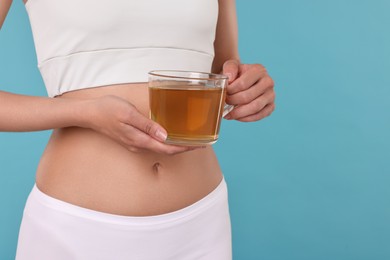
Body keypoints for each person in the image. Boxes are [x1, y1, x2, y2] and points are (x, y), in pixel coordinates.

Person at [0, 0, 275, 259]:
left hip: (199, 224)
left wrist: (249, 88)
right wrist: (85, 112)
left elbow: (222, 72)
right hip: (76, 229)